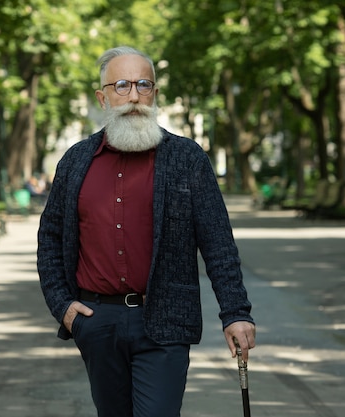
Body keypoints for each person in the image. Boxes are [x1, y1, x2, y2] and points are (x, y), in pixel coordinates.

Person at [37, 46, 256, 417]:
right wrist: (63, 307)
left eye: (144, 84)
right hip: (96, 321)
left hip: (165, 322)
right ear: (102, 96)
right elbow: (50, 238)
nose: (134, 96)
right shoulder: (75, 161)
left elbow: (218, 243)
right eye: (121, 85)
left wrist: (236, 313)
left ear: (156, 93)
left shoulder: (187, 159)